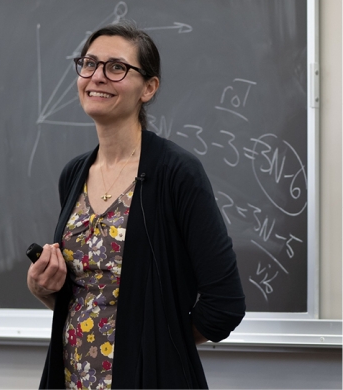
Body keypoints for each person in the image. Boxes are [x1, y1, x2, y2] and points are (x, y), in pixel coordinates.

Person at [25, 23, 245, 388]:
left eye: (116, 67)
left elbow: (225, 305)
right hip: (72, 377)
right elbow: (90, 301)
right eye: (89, 63)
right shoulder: (73, 174)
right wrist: (45, 290)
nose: (97, 76)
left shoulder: (177, 173)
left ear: (149, 88)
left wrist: (158, 345)